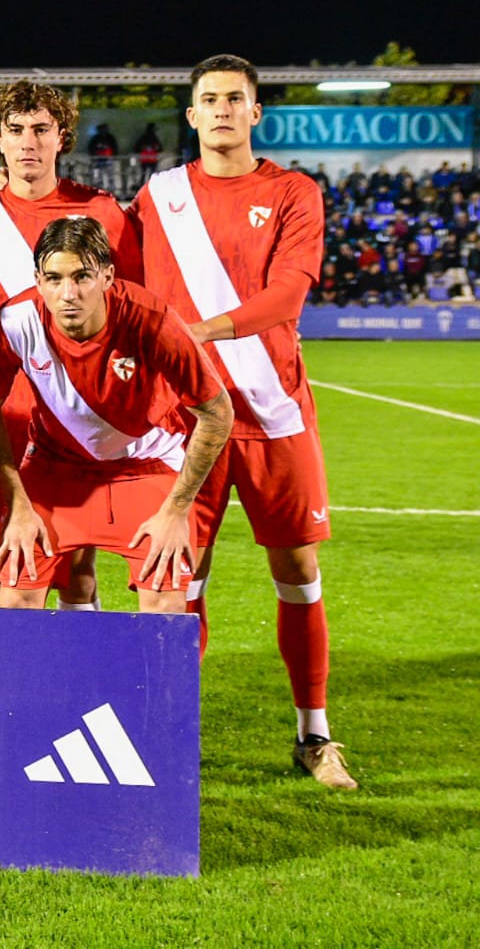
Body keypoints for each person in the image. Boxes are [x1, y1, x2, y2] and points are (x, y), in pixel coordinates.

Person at [130, 53, 355, 788]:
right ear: (190, 116)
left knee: (296, 570)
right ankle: (166, 736)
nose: (222, 109)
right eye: (209, 99)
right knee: (178, 577)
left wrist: (199, 331)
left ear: (255, 113)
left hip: (273, 414)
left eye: (235, 98)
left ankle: (315, 735)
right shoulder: (157, 198)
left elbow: (287, 297)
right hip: (186, 420)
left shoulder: (294, 191)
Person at [0, 217, 233, 613]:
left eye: (82, 277)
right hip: (54, 468)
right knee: (17, 596)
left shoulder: (151, 321)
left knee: (165, 600)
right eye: (54, 279)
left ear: (108, 276)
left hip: (148, 467)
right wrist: (17, 504)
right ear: (38, 280)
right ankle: (46, 678)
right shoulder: (15, 321)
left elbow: (217, 412)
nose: (67, 293)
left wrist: (176, 511)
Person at [0, 81, 136, 609]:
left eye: (40, 129)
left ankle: (75, 687)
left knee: (75, 568)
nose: (27, 142)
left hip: (73, 417)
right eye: (15, 131)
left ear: (62, 137)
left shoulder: (101, 213)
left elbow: (130, 312)